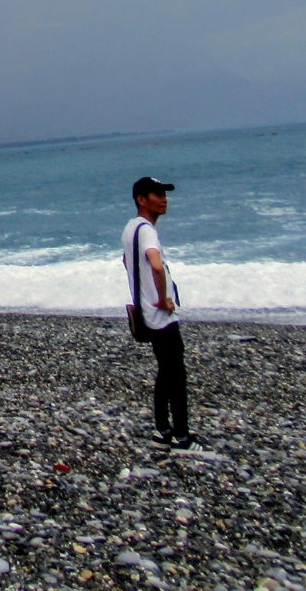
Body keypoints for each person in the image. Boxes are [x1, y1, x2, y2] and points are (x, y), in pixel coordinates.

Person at [124, 176, 192, 448]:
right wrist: (164, 298)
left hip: (145, 314)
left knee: (166, 371)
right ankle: (182, 436)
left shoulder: (131, 229)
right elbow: (154, 263)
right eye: (157, 194)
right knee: (176, 374)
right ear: (142, 199)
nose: (163, 199)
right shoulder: (148, 231)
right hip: (160, 316)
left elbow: (126, 261)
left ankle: (162, 431)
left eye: (164, 193)